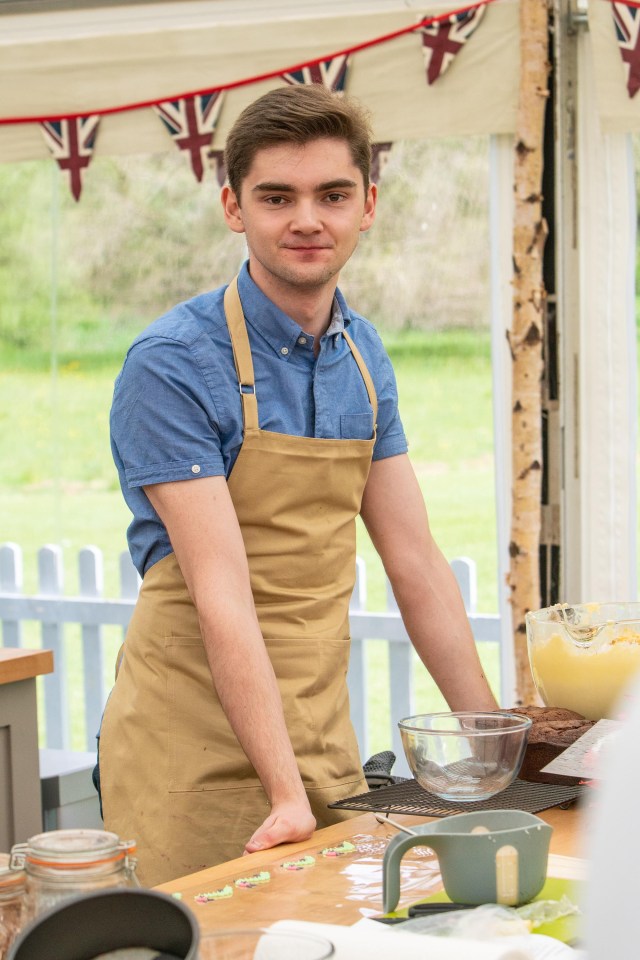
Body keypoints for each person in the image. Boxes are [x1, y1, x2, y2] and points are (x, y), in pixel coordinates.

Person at [98, 83, 498, 886]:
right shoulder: (173, 363)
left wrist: (494, 752)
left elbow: (416, 564)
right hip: (192, 733)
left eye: (332, 195)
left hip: (320, 732)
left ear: (368, 206)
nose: (307, 219)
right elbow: (221, 590)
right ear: (233, 207)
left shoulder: (363, 356)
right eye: (277, 197)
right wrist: (284, 793)